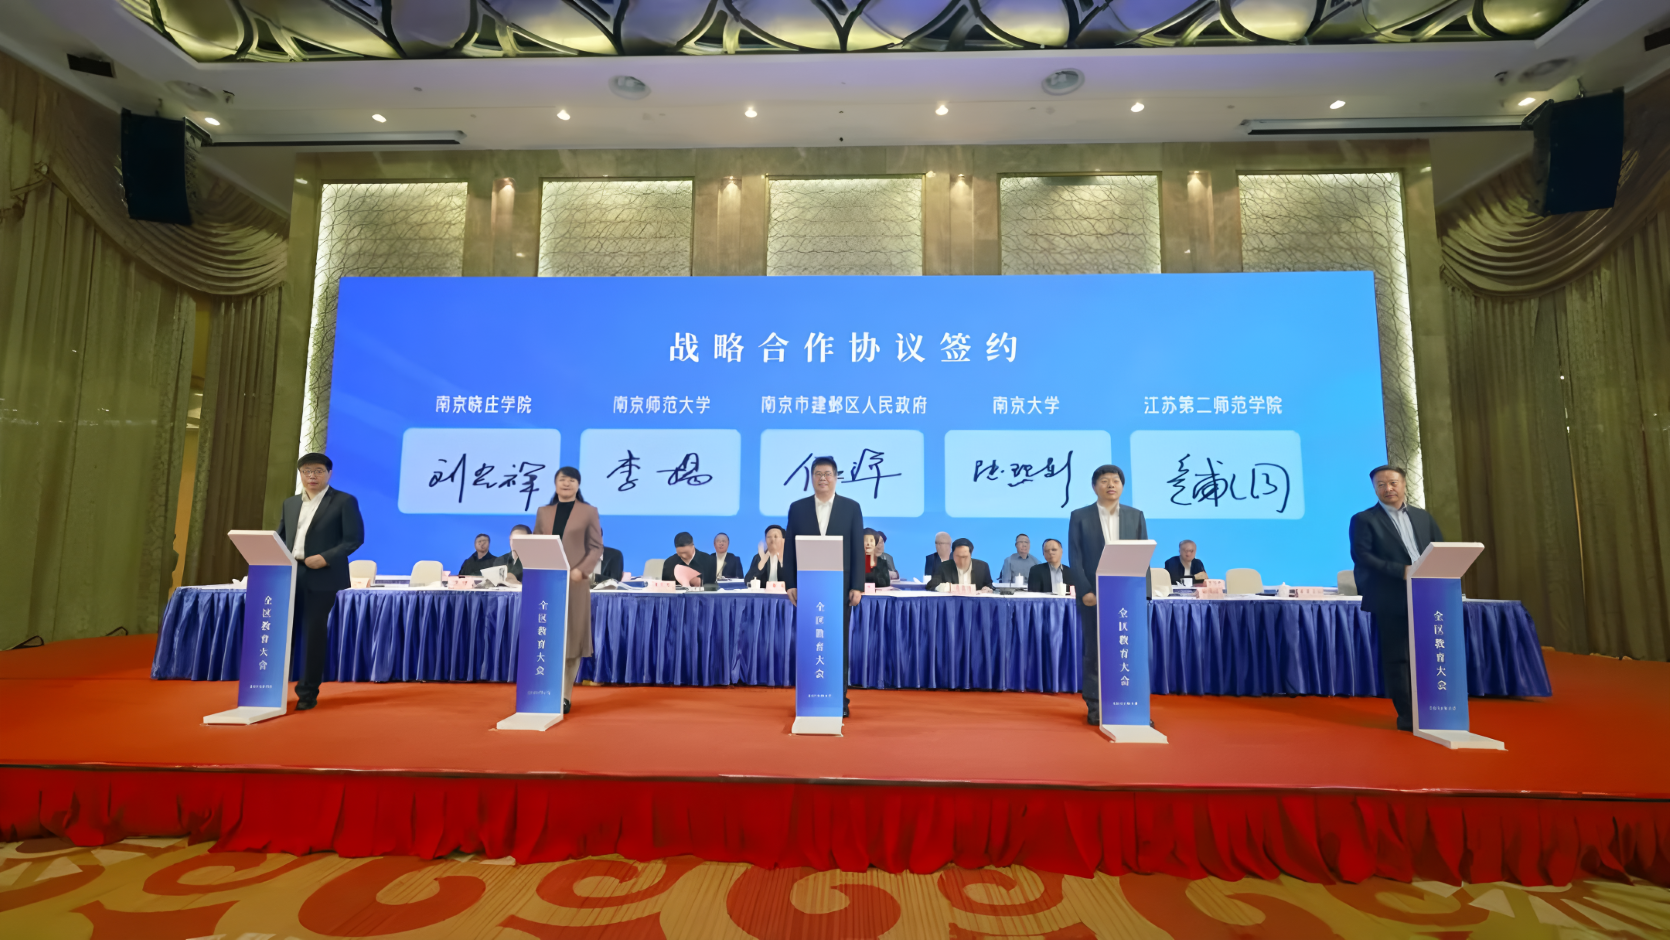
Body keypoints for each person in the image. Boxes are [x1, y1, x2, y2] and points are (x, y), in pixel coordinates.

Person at [1350, 465, 1445, 733]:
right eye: (1380, 485)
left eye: (1392, 483)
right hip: (1390, 595)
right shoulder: (1364, 519)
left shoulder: (1423, 517)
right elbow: (1363, 556)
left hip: (1428, 594)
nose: (1387, 488)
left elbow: (1439, 546)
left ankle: (1435, 709)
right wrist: (1401, 571)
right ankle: (1408, 715)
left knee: (1430, 654)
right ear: (1374, 489)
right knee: (1398, 658)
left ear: (1403, 484)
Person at [277, 453, 364, 711]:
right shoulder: (290, 503)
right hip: (290, 574)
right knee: (283, 634)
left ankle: (307, 693)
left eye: (318, 471)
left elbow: (354, 539)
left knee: (312, 636)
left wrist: (326, 557)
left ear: (329, 473)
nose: (312, 476)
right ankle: (273, 690)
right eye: (306, 471)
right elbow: (282, 537)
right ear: (300, 474)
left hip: (322, 576)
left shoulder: (344, 501)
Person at [783, 456, 866, 717]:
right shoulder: (798, 508)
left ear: (836, 477)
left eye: (828, 474)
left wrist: (857, 585)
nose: (823, 478)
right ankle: (810, 699)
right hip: (808, 587)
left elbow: (856, 548)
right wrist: (790, 583)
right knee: (811, 641)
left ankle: (838, 701)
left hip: (839, 588)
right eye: (818, 474)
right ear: (811, 478)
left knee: (836, 644)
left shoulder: (851, 508)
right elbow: (790, 549)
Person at [1067, 464, 1149, 725]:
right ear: (1095, 487)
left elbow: (1143, 555)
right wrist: (1085, 591)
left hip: (1127, 597)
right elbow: (1075, 558)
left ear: (1122, 486)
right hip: (1094, 597)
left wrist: (1143, 594)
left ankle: (1131, 706)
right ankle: (1095, 707)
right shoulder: (1080, 516)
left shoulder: (1136, 516)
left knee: (1128, 650)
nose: (1111, 484)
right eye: (1104, 480)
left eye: (1116, 480)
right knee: (1095, 651)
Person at [533, 467, 604, 715]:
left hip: (575, 584)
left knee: (572, 640)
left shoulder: (588, 512)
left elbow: (596, 547)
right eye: (562, 479)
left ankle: (564, 695)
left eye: (571, 480)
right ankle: (544, 692)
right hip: (546, 584)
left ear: (578, 485)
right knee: (548, 639)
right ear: (555, 483)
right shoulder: (544, 512)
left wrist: (581, 570)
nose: (566, 483)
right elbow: (536, 543)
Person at [927, 538, 994, 592]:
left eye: (964, 557)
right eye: (958, 556)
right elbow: (931, 585)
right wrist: (948, 587)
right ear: (952, 554)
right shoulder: (944, 567)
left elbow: (990, 586)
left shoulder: (982, 567)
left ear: (971, 554)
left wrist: (988, 589)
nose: (961, 561)